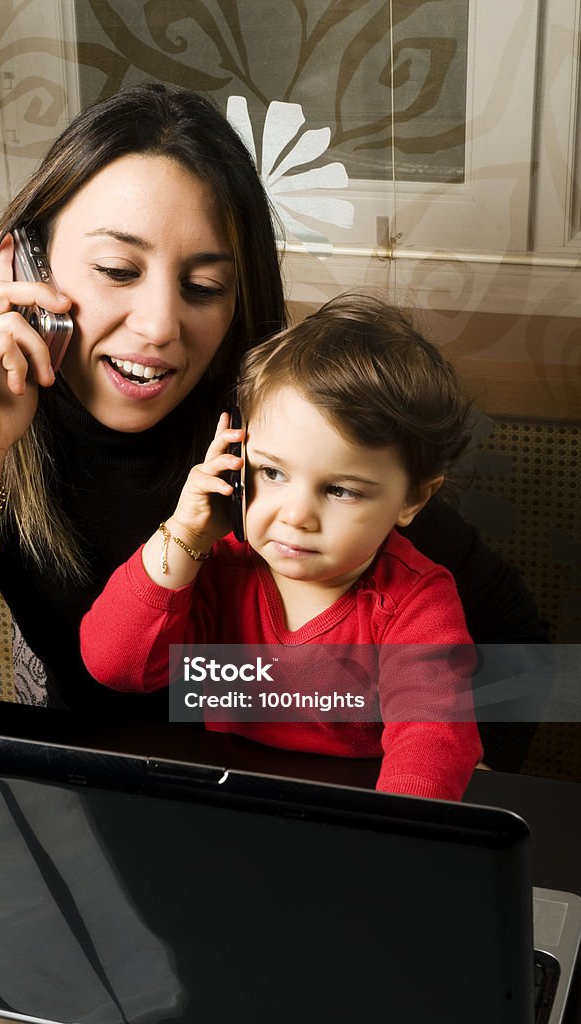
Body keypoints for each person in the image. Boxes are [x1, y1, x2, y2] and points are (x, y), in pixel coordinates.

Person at [0, 84, 546, 772]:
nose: (158, 327)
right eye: (118, 270)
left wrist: (420, 778)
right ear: (19, 265)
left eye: (204, 287)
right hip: (93, 798)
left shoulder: (289, 434)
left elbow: (518, 648)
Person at [80, 294, 484, 800]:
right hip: (232, 798)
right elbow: (115, 665)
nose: (295, 515)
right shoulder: (220, 567)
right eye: (272, 472)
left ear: (413, 498)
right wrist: (184, 533)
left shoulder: (414, 602)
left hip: (358, 807)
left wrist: (395, 834)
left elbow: (433, 738)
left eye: (341, 490)